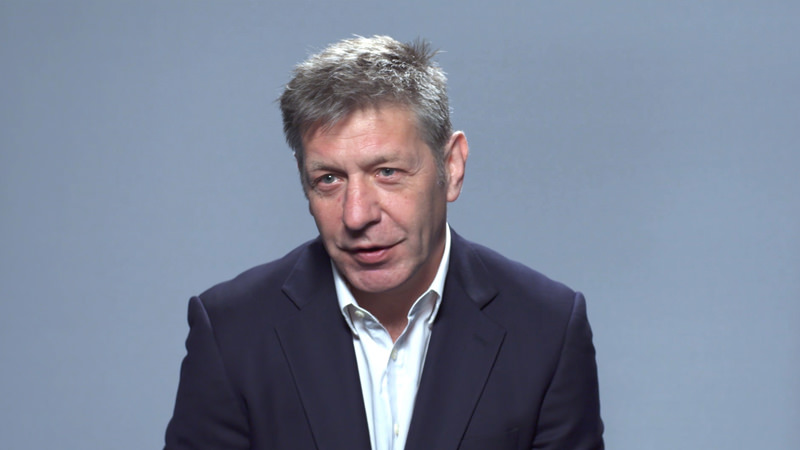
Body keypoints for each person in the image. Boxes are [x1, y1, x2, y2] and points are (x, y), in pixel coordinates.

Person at [164, 35, 604, 450]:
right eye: (329, 179)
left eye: (387, 172)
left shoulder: (547, 329)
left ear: (451, 167)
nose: (357, 215)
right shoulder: (231, 332)